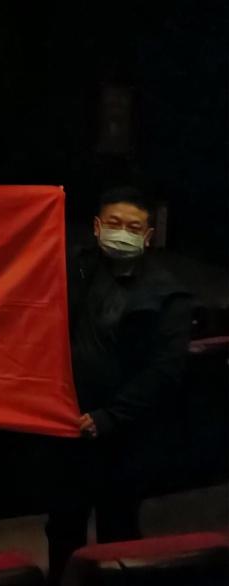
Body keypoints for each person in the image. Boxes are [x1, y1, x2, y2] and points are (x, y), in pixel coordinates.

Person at [45, 187, 193, 584]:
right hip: (68, 426)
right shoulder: (74, 268)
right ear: (96, 227)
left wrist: (109, 417)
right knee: (63, 525)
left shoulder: (168, 294)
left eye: (133, 227)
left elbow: (164, 372)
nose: (121, 232)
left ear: (148, 236)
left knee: (118, 528)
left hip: (126, 434)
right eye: (113, 223)